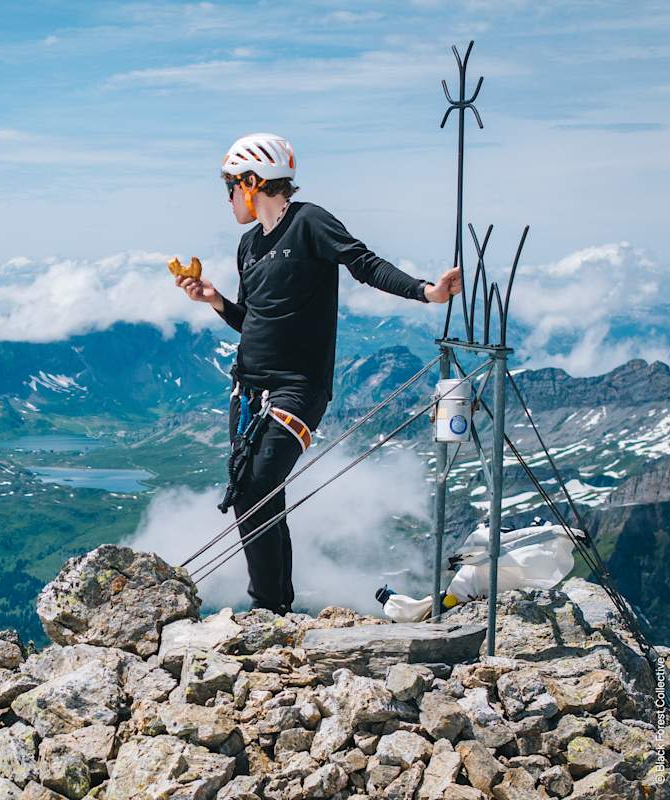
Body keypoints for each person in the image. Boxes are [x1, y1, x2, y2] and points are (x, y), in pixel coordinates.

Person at [176, 132, 462, 614]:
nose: (227, 199)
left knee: (256, 487)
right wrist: (216, 301)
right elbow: (255, 321)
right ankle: (273, 609)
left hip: (298, 389)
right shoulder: (248, 246)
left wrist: (426, 292)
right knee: (254, 492)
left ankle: (268, 608)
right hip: (247, 392)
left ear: (252, 182)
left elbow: (363, 264)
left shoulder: (309, 222)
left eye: (230, 187)